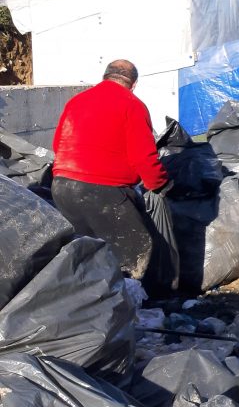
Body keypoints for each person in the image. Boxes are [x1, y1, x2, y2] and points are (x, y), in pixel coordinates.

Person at [51, 60, 170, 279]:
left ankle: (90, 302)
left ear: (105, 76)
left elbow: (57, 143)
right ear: (133, 84)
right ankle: (127, 305)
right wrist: (159, 184)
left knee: (88, 253)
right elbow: (144, 157)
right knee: (135, 249)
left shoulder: (76, 101)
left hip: (62, 187)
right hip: (101, 191)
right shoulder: (132, 104)